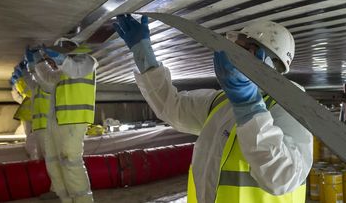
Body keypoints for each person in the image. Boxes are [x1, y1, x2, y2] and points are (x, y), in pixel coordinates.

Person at [114, 14, 313, 203]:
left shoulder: (293, 109)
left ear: (264, 59)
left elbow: (283, 179)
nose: (231, 54)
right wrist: (143, 53)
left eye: (241, 49)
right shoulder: (222, 103)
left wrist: (249, 106)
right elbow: (171, 107)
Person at [34, 38, 98, 203]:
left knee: (71, 161)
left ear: (71, 50)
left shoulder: (87, 61)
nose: (54, 61)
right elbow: (48, 78)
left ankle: (84, 201)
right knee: (53, 161)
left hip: (74, 122)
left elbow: (75, 69)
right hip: (57, 122)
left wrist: (61, 59)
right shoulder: (63, 72)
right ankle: (66, 199)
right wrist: (38, 62)